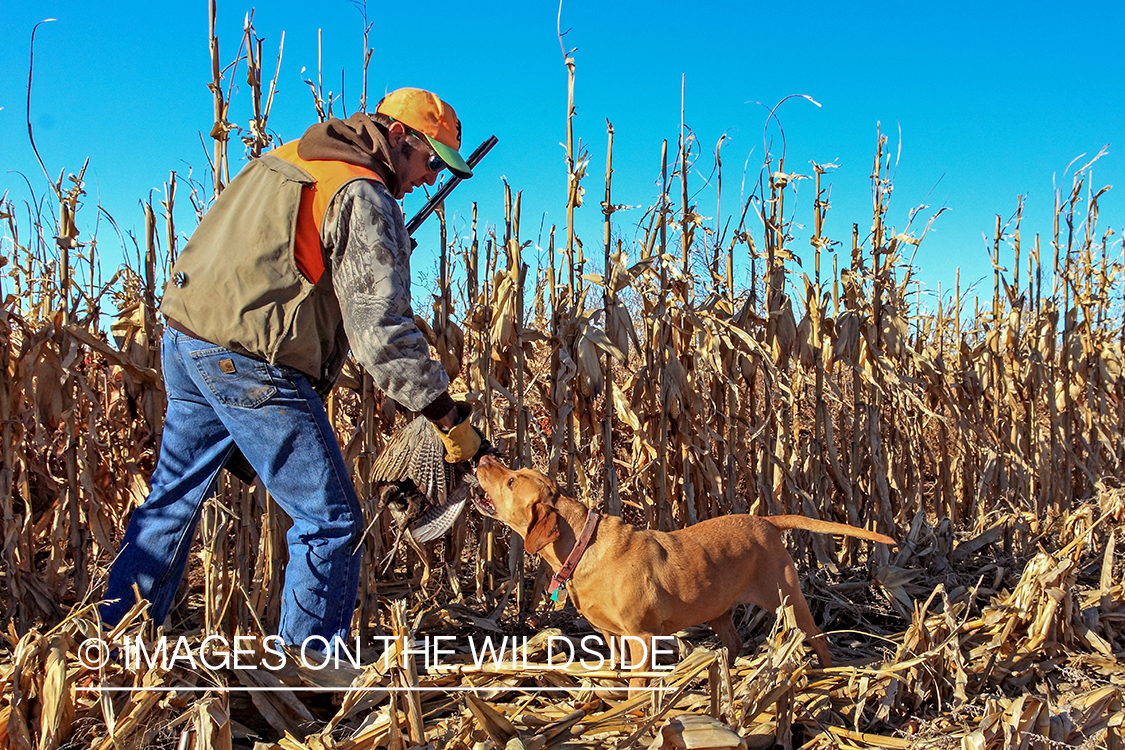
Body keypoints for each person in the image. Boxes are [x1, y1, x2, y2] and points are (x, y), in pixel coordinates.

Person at [101, 87, 481, 647]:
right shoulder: (363, 192)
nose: (430, 177)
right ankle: (302, 682)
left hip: (187, 341)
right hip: (250, 361)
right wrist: (448, 417)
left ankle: (113, 651)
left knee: (171, 502)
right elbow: (381, 333)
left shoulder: (293, 157)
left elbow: (270, 262)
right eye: (431, 161)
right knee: (332, 523)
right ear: (399, 137)